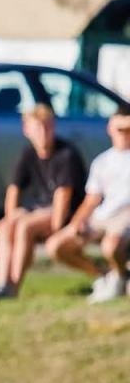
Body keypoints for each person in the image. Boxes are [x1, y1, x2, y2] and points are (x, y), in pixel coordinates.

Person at [0, 104, 85, 298]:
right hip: (39, 211)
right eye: (38, 128)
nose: (43, 133)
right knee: (4, 226)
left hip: (65, 215)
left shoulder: (66, 155)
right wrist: (11, 216)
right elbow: (13, 189)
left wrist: (55, 228)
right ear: (27, 130)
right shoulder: (28, 154)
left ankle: (13, 286)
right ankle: (1, 284)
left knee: (25, 226)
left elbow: (63, 198)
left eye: (47, 127)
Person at [45, 105, 130, 303]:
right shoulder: (102, 161)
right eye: (120, 129)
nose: (124, 134)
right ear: (110, 128)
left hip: (125, 215)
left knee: (111, 246)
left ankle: (118, 278)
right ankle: (102, 276)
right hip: (102, 215)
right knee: (56, 246)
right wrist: (78, 221)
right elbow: (92, 199)